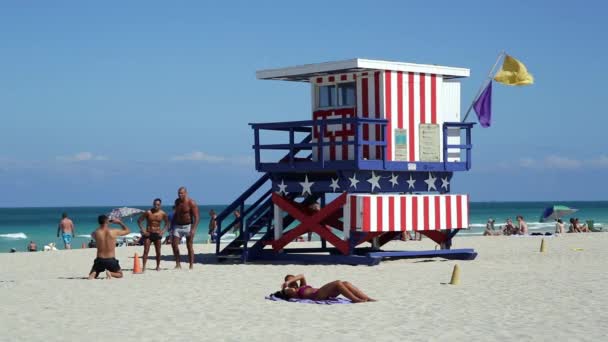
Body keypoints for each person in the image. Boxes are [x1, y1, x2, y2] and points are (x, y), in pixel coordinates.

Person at [273, 274, 375, 303]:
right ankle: (356, 300)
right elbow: (286, 292)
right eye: (291, 281)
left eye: (294, 280)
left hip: (321, 292)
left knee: (345, 283)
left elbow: (302, 275)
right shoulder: (291, 291)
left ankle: (367, 298)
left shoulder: (302, 286)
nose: (294, 282)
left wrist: (289, 280)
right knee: (338, 283)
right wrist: (288, 284)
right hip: (317, 296)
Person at [137, 198, 170, 272]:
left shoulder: (162, 213)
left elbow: (167, 223)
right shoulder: (148, 212)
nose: (156, 206)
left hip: (157, 233)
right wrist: (143, 231)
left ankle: (158, 266)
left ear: (160, 205)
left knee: (158, 252)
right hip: (148, 233)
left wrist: (163, 231)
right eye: (155, 204)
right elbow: (139, 221)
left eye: (158, 204)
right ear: (153, 204)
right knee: (146, 251)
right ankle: (144, 267)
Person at [172, 186, 200, 269]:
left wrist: (193, 229)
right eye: (179, 193)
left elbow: (197, 217)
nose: (180, 195)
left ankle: (191, 265)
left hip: (188, 226)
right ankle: (178, 264)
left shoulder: (191, 202)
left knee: (189, 245)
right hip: (177, 226)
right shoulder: (177, 202)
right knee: (174, 244)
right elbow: (176, 214)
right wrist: (171, 225)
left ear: (186, 193)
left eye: (181, 193)